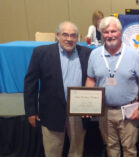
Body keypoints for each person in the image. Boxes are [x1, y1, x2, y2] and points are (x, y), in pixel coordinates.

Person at [24, 21, 91, 157]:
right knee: (52, 151)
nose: (69, 39)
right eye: (65, 35)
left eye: (73, 35)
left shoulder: (87, 53)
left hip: (78, 113)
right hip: (51, 112)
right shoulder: (41, 53)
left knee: (77, 152)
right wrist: (31, 111)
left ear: (78, 37)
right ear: (57, 36)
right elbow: (30, 83)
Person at [85, 16, 139, 157]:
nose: (110, 35)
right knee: (111, 148)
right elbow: (90, 79)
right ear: (101, 34)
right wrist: (88, 105)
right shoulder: (94, 55)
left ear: (120, 33)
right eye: (106, 32)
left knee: (129, 149)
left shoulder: (133, 54)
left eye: (113, 31)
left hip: (129, 111)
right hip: (104, 111)